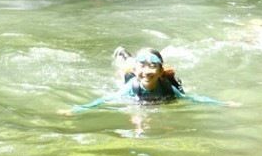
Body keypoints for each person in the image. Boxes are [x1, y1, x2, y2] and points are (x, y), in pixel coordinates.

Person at [70, 47, 229, 112]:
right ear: (137, 69)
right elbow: (105, 99)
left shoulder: (166, 86)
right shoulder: (131, 86)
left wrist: (223, 104)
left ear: (161, 72)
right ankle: (122, 54)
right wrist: (78, 109)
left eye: (153, 66)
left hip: (142, 74)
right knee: (123, 71)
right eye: (143, 66)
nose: (147, 72)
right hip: (131, 75)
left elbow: (192, 99)